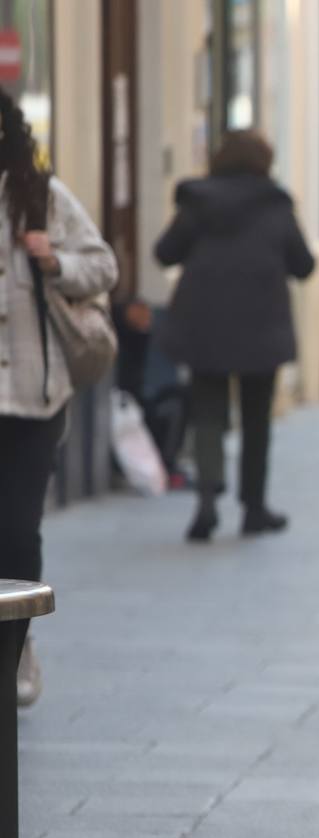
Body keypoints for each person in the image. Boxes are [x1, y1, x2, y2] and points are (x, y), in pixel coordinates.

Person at [0, 87, 118, 706]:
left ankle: (17, 652)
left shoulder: (40, 194)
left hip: (33, 397)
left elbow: (104, 266)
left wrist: (55, 263)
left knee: (18, 531)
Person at [155, 130, 315, 542]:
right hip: (262, 326)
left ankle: (207, 499)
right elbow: (303, 263)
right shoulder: (275, 202)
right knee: (256, 419)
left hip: (204, 323)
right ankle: (253, 507)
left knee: (207, 412)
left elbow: (165, 251)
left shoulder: (197, 201)